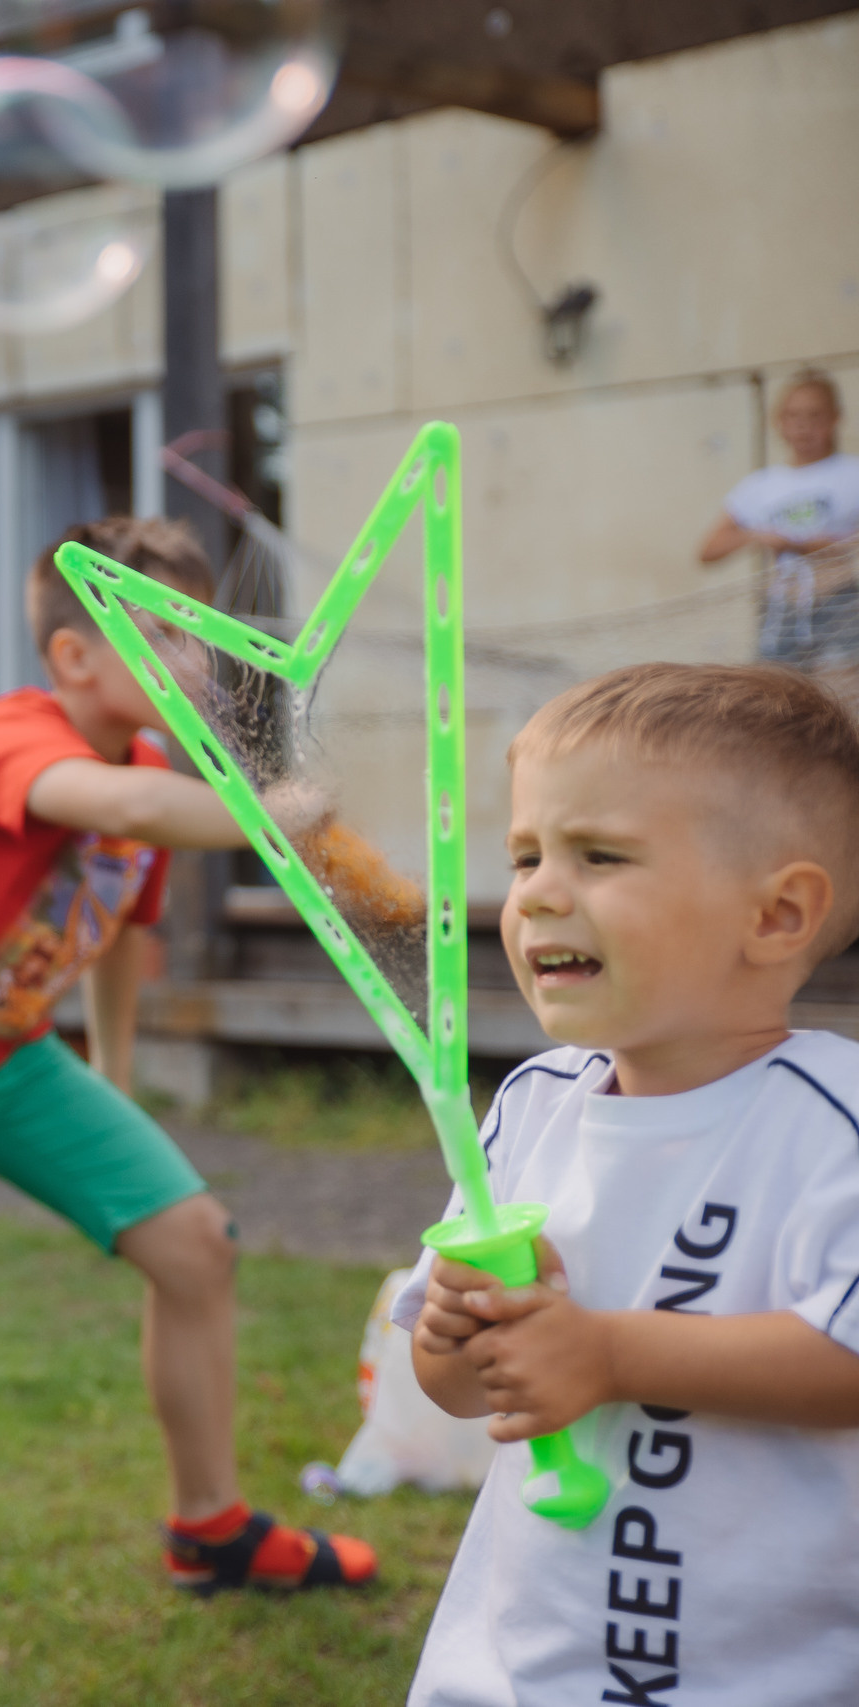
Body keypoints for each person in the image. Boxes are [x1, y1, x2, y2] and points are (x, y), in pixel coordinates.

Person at [0, 515, 378, 1593]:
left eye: (201, 632)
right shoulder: (14, 732)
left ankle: (210, 1528)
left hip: (10, 1058)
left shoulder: (148, 772)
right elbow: (125, 805)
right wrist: (270, 809)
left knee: (194, 1247)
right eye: (165, 632)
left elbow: (116, 934)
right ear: (73, 658)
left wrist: (113, 1074)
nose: (197, 658)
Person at [398, 662, 859, 1706]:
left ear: (777, 915)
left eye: (599, 856)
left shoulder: (832, 1123)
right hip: (514, 1671)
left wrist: (608, 1352)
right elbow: (458, 1387)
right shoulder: (532, 1105)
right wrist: (454, 1333)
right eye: (524, 856)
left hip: (759, 1677)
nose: (538, 894)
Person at [697, 369, 859, 670]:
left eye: (815, 416)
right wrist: (758, 536)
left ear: (835, 418)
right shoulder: (761, 485)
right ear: (779, 422)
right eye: (794, 416)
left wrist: (819, 545)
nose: (803, 427)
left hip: (840, 604)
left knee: (844, 696)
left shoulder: (852, 473)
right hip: (781, 610)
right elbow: (708, 550)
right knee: (778, 704)